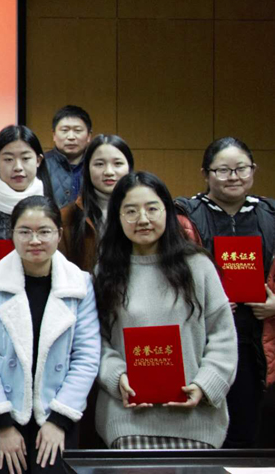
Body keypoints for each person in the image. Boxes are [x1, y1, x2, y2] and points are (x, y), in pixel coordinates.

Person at [94, 171, 237, 449]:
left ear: (167, 212)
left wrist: (205, 385)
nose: (143, 219)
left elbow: (223, 336)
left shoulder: (198, 266)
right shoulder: (106, 272)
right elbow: (96, 341)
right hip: (128, 421)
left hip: (196, 420)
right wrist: (116, 377)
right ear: (118, 217)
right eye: (131, 211)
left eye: (152, 208)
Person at [0, 196, 100, 474]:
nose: (35, 240)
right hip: (4, 415)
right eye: (25, 232)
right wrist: (3, 423)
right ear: (12, 234)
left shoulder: (80, 284)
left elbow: (87, 356)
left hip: (58, 415)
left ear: (59, 234)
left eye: (44, 231)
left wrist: (59, 420)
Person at [175, 138, 275, 448]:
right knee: (207, 432)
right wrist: (206, 303)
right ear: (205, 173)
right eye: (223, 170)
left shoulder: (271, 214)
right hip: (206, 339)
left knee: (252, 432)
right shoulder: (184, 216)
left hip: (259, 338)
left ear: (253, 170)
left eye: (241, 168)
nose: (233, 177)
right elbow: (169, 274)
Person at [0, 125, 56, 269]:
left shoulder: (52, 208)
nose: (18, 167)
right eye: (8, 159)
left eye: (25, 158)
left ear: (38, 160)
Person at [59, 135, 134, 272]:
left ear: (129, 167)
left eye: (117, 163)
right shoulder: (65, 217)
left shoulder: (144, 213)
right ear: (87, 169)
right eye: (99, 164)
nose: (109, 172)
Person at [44, 106, 92, 208]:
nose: (71, 137)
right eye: (65, 130)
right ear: (54, 135)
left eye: (77, 130)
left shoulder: (97, 164)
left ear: (89, 136)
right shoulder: (41, 164)